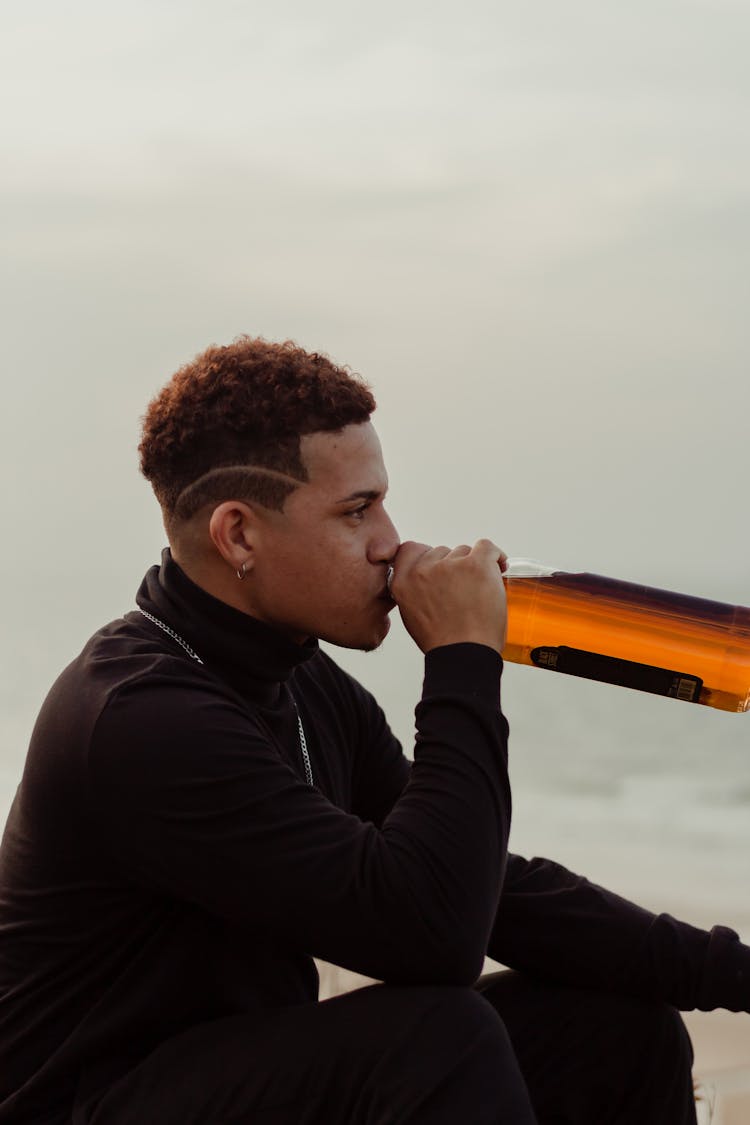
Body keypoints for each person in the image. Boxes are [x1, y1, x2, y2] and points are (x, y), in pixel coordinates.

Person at [0, 337, 747, 1125]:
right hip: (87, 1105)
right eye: (357, 511)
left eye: (384, 502)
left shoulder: (301, 682)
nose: (392, 540)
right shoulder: (141, 718)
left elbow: (491, 889)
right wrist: (462, 662)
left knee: (618, 1027)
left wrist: (730, 973)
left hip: (237, 1076)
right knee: (437, 1035)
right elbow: (434, 936)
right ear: (239, 535)